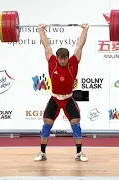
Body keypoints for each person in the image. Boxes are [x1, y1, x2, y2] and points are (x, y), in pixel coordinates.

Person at [34, 23, 89, 162]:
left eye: (65, 58)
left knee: (75, 122)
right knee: (47, 123)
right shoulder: (52, 62)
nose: (63, 60)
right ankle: (42, 153)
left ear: (67, 58)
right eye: (61, 58)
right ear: (57, 57)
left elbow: (79, 46)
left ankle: (79, 153)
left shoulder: (73, 63)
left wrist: (85, 29)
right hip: (55, 99)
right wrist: (41, 30)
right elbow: (46, 45)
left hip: (68, 98)